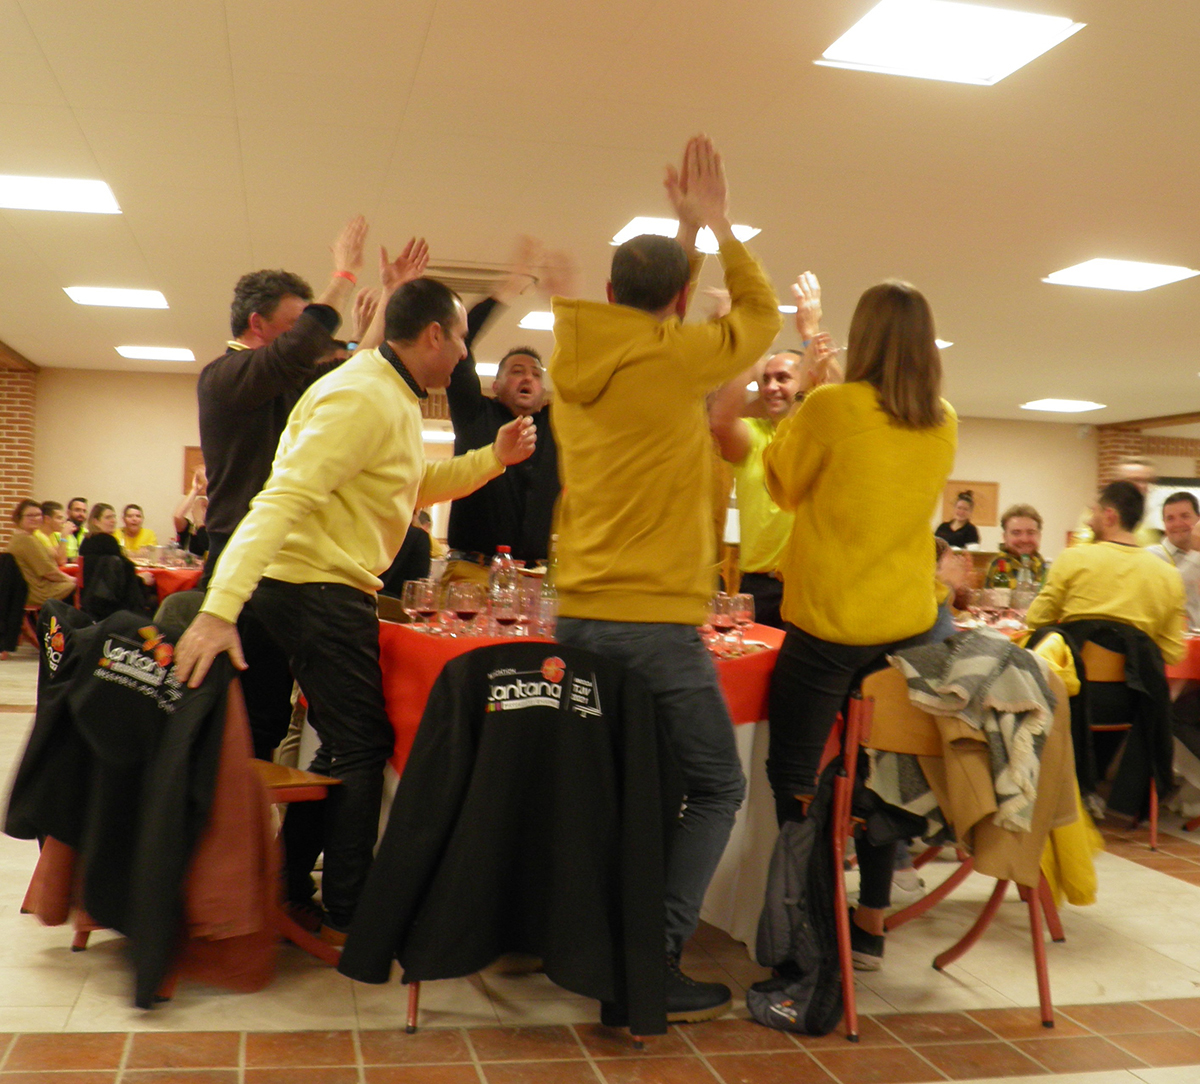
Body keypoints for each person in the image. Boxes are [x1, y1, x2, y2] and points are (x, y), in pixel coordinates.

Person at [173, 272, 537, 942]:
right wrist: (218, 609)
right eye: (462, 339)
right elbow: (280, 499)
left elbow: (412, 483)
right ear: (434, 335)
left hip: (314, 585)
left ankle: (292, 885)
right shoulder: (364, 395)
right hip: (313, 588)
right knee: (362, 746)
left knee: (347, 743)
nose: (466, 354)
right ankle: (348, 910)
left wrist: (494, 457)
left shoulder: (387, 392)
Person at [548, 135, 781, 1021]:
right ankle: (650, 959)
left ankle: (593, 940)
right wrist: (716, 222)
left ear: (610, 295)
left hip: (577, 618)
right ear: (679, 302)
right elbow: (761, 315)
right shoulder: (684, 358)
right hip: (652, 624)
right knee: (716, 786)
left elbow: (648, 322)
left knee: (618, 790)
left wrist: (683, 240)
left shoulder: (571, 363)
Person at [763, 279, 958, 972]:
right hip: (909, 626)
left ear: (864, 337)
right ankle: (869, 924)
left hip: (831, 623)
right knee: (884, 777)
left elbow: (782, 485)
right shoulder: (943, 420)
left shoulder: (830, 406)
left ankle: (804, 925)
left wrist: (808, 399)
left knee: (794, 774)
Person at [197, 218, 424, 759]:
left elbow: (355, 371)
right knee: (241, 726)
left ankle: (262, 813)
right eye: (295, 323)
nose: (311, 337)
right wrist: (343, 275)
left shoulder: (285, 381)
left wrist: (391, 294)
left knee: (271, 721)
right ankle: (231, 814)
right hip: (239, 560)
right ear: (257, 325)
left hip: (284, 568)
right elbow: (302, 350)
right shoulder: (225, 377)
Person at [444, 238, 568, 580]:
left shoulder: (556, 424)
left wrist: (566, 308)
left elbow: (593, 374)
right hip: (473, 571)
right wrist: (506, 290)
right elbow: (460, 343)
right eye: (516, 371)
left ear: (543, 389)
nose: (527, 377)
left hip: (536, 577)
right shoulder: (475, 414)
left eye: (535, 374)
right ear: (496, 386)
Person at [709, 272, 829, 628]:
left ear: (805, 380)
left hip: (808, 587)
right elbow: (720, 420)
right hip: (757, 589)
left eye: (783, 378)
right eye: (767, 379)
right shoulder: (753, 436)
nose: (772, 386)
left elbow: (840, 390)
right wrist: (750, 343)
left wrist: (810, 333)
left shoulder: (821, 438)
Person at [1027, 480, 1186, 665]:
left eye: (1094, 512)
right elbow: (1173, 653)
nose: (1088, 521)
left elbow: (1036, 619)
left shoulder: (1072, 559)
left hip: (1074, 680)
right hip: (1138, 682)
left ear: (1109, 516)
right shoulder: (1169, 576)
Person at [5, 500, 75, 607]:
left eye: (38, 515)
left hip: (28, 590)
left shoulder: (23, 537)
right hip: (37, 592)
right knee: (79, 587)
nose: (35, 518)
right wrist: (72, 579)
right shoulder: (27, 540)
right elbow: (49, 572)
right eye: (30, 515)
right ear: (19, 518)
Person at [1148, 491, 1200, 629]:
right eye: (1170, 519)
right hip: (1173, 638)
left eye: (1185, 516)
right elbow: (1173, 589)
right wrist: (1196, 553)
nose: (1178, 524)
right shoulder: (1152, 556)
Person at [984, 503, 1048, 589]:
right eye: (1016, 533)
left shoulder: (1044, 566)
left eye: (1030, 533)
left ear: (1039, 536)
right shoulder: (998, 566)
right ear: (1005, 537)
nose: (1024, 539)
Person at [172, 467, 209, 557]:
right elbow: (177, 517)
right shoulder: (188, 528)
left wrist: (199, 521)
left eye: (204, 508)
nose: (199, 511)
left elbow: (207, 545)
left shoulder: (211, 531)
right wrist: (194, 490)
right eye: (196, 508)